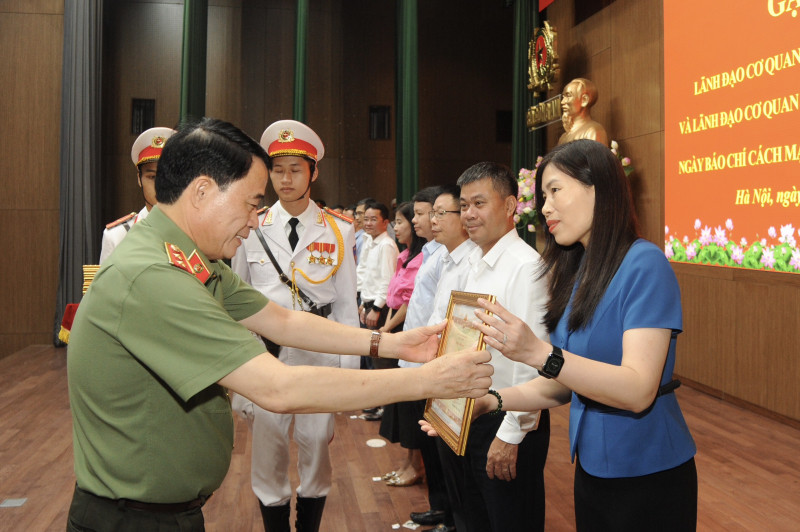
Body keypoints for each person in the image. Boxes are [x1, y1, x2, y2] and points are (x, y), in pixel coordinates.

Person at [65, 117, 493, 532]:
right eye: (251, 202)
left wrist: (394, 345)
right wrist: (429, 382)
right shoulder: (155, 275)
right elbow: (278, 388)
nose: (256, 221)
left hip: (161, 511)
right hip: (133, 519)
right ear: (202, 191)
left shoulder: (187, 258)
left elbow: (282, 320)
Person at [457, 140, 698, 531]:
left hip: (648, 469)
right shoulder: (579, 271)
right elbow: (564, 384)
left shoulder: (645, 264)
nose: (545, 207)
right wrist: (491, 401)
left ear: (598, 187)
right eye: (542, 195)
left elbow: (637, 389)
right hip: (592, 466)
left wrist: (539, 353)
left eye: (555, 190)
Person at [229, 119, 358, 532]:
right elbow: (236, 304)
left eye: (295, 170)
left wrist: (349, 377)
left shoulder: (340, 230)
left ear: (313, 173)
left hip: (319, 354)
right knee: (267, 454)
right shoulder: (251, 227)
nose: (285, 179)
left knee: (316, 449)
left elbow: (347, 310)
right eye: (278, 170)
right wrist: (238, 381)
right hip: (266, 355)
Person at [436, 162, 551, 532]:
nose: (469, 214)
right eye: (464, 205)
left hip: (508, 418)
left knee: (510, 519)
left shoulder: (527, 267)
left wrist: (511, 435)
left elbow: (534, 361)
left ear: (509, 206)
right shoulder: (472, 260)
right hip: (470, 411)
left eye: (479, 204)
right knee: (472, 517)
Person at [413, 184, 477, 532]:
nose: (433, 220)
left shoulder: (471, 262)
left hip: (456, 377)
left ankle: (453, 521)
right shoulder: (445, 258)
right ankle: (449, 519)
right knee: (444, 460)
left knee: (458, 465)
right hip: (435, 368)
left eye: (441, 213)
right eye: (431, 213)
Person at [377, 201, 427, 486]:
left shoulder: (422, 258)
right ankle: (409, 462)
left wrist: (388, 327)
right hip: (398, 326)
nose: (396, 227)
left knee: (411, 407)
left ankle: (415, 466)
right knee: (404, 406)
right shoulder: (407, 255)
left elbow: (411, 302)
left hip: (406, 331)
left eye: (401, 221)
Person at [99, 126, 176, 264]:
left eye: (167, 176)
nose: (160, 185)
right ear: (139, 179)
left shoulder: (194, 232)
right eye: (152, 177)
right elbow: (105, 286)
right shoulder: (118, 236)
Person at [357, 202, 398, 333]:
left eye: (373, 220)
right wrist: (363, 304)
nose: (368, 223)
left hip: (379, 308)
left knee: (375, 350)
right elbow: (366, 276)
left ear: (385, 223)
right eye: (366, 219)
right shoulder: (369, 241)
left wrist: (376, 309)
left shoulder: (386, 245)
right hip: (368, 305)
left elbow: (388, 281)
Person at [557, 78, 609, 147]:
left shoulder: (593, 131)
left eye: (568, 95)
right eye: (563, 97)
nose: (562, 102)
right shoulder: (563, 138)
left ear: (584, 100)